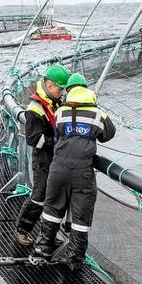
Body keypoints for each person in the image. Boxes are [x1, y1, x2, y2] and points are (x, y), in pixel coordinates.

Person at [33, 82, 116, 269]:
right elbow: (108, 134)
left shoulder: (60, 112)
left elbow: (58, 132)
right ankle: (74, 259)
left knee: (52, 208)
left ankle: (43, 248)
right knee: (81, 215)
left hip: (58, 168)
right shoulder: (98, 114)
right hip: (83, 172)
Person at [14, 64, 70, 246]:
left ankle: (49, 235)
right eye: (59, 88)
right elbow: (33, 139)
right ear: (49, 84)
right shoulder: (35, 108)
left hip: (56, 159)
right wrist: (56, 141)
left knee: (54, 196)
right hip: (43, 160)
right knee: (39, 195)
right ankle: (22, 230)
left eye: (63, 89)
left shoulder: (57, 102)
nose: (61, 92)